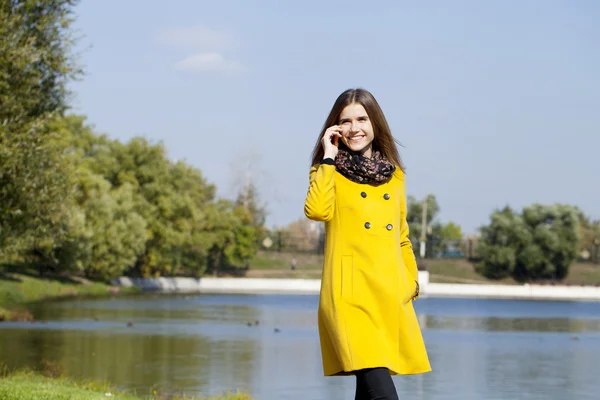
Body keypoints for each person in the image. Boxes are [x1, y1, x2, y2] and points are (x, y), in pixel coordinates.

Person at [304, 88, 431, 399]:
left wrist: (411, 283)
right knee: (385, 395)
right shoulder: (328, 171)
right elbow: (316, 211)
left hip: (387, 293)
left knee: (369, 391)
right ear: (335, 128)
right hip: (349, 296)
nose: (354, 128)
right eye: (345, 121)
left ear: (375, 123)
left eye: (361, 119)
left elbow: (402, 237)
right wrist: (328, 158)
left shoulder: (395, 176)